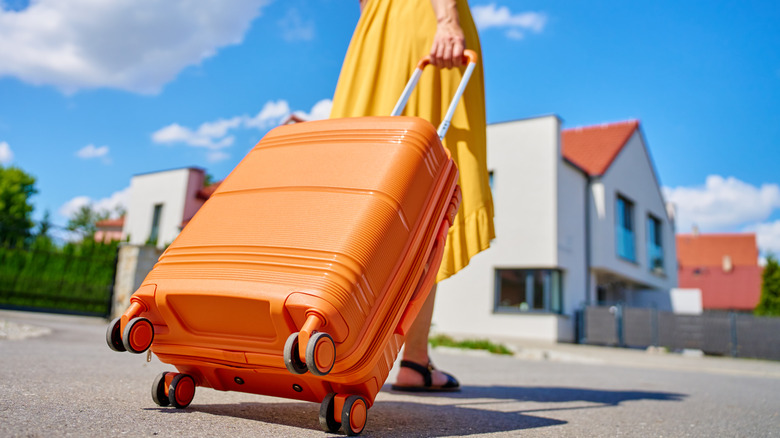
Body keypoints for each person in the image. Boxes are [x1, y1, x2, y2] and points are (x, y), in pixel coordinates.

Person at [330, 0, 494, 391]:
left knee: (362, 183)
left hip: (375, 35)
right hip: (422, 23)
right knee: (426, 194)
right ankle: (414, 361)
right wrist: (447, 19)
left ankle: (332, 338)